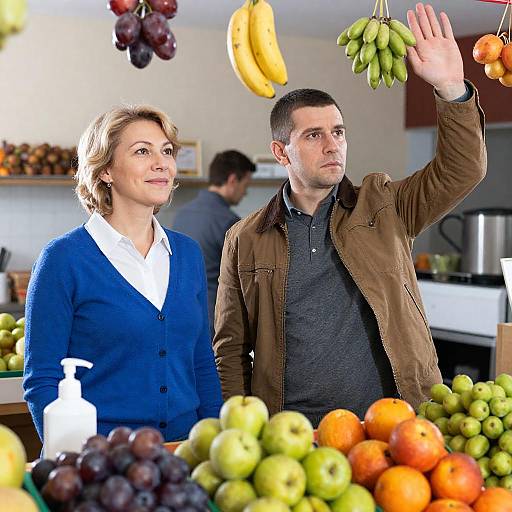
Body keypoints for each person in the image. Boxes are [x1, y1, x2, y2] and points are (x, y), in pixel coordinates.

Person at [213, 3, 487, 425]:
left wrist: (452, 88)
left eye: (338, 132)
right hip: (292, 435)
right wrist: (239, 427)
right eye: (314, 135)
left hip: (393, 426)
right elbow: (230, 349)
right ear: (280, 151)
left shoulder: (385, 206)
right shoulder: (245, 239)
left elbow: (463, 169)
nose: (332, 144)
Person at [23, 105, 223, 442]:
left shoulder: (187, 254)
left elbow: (201, 362)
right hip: (106, 463)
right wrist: (76, 463)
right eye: (142, 151)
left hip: (185, 453)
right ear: (106, 171)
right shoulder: (63, 259)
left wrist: (215, 447)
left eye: (167, 151)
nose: (162, 163)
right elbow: (42, 379)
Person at [172, 150, 255, 336]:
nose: (245, 193)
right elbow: (244, 279)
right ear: (233, 180)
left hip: (181, 311)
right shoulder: (229, 222)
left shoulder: (182, 214)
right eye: (245, 185)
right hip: (215, 316)